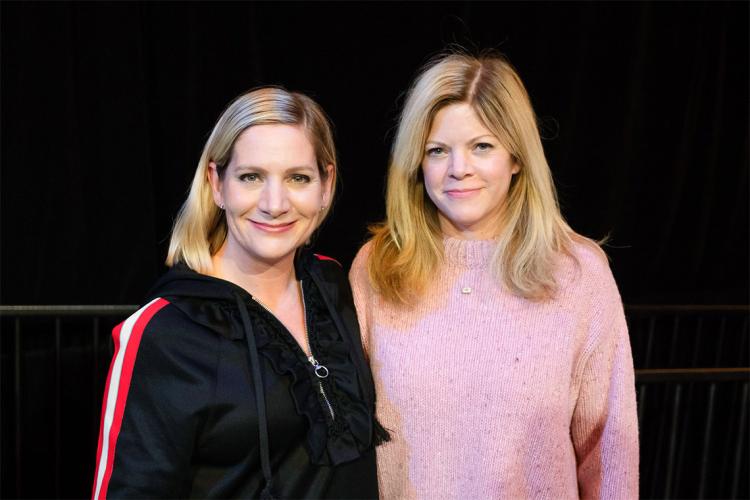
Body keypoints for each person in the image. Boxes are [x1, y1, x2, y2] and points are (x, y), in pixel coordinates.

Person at [349, 52, 639, 499]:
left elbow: (610, 450)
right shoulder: (378, 266)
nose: (458, 168)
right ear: (416, 163)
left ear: (517, 157)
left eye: (481, 146)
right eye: (437, 150)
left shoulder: (578, 272)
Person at [92, 87, 387, 499]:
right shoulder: (164, 333)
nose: (275, 203)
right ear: (217, 184)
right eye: (251, 177)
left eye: (297, 178)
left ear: (326, 184)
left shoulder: (334, 284)